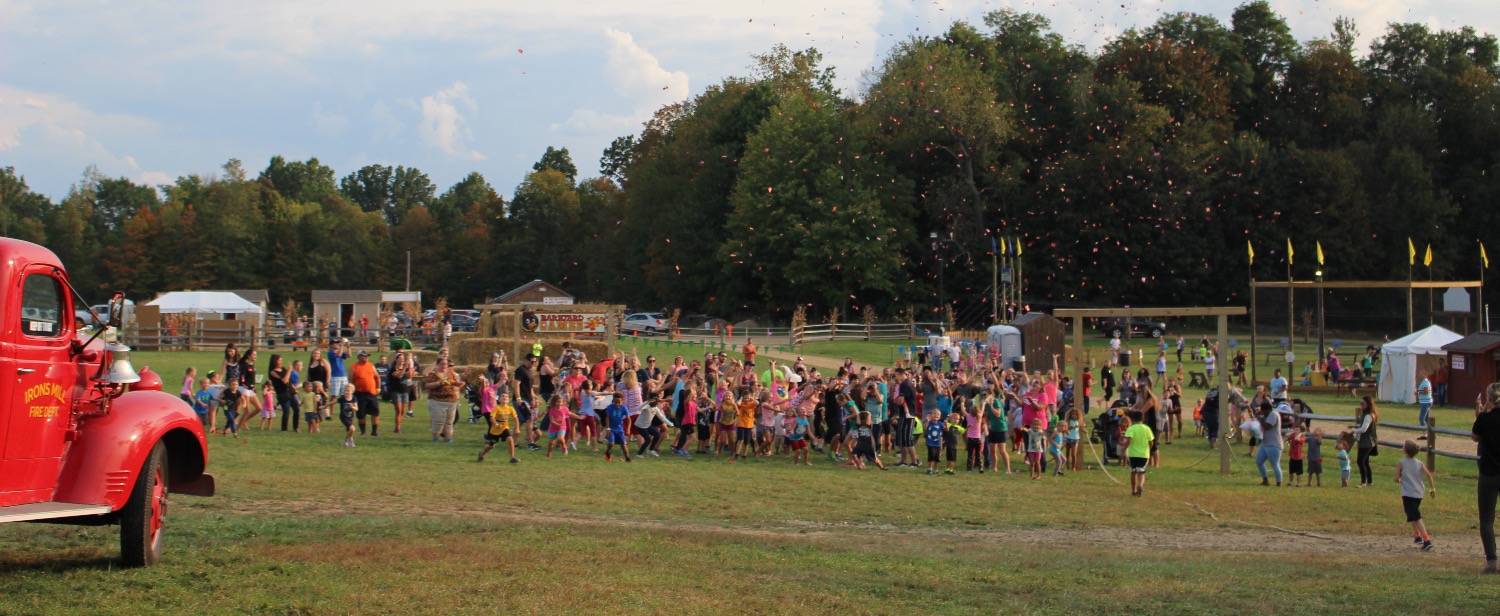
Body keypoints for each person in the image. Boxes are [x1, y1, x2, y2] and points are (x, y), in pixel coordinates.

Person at [1472, 382, 1500, 574]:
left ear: (1488, 399)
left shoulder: (1484, 418)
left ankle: (1492, 561)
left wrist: (1482, 412)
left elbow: (1475, 437)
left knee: (1487, 519)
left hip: (1489, 472)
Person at [1395, 440, 1437, 551]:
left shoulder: (1401, 463)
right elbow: (1428, 476)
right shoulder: (1419, 463)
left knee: (1416, 517)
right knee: (1411, 514)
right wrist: (1432, 488)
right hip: (1419, 493)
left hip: (1408, 493)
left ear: (1405, 451)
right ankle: (1417, 536)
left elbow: (1396, 478)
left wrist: (1401, 480)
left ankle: (1427, 540)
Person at [424, 357, 461, 443]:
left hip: (451, 400)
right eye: (442, 364)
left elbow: (455, 382)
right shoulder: (433, 374)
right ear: (437, 365)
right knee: (438, 420)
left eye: (446, 364)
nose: (444, 366)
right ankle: (436, 438)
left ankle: (448, 438)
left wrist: (459, 383)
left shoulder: (451, 373)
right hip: (437, 400)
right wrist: (438, 383)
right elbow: (427, 385)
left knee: (449, 421)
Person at [1122, 410, 1154, 496]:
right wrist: (1149, 450)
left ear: (1132, 419)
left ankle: (1133, 490)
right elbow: (1151, 442)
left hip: (1132, 454)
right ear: (1143, 419)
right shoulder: (1147, 428)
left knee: (1133, 472)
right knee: (1141, 472)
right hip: (1143, 454)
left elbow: (1129, 440)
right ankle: (1140, 485)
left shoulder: (1131, 428)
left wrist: (1124, 450)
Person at [1350, 396, 1380, 487]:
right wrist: (1354, 426)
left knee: (1360, 461)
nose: (1361, 405)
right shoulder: (1369, 415)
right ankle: (1369, 482)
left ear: (1368, 405)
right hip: (1369, 442)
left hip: (1367, 442)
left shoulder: (1368, 415)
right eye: (1361, 403)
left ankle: (1363, 482)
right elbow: (1362, 425)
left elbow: (1364, 429)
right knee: (1365, 462)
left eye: (1363, 403)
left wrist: (1354, 431)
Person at [350, 350, 381, 436]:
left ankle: (374, 431)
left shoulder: (371, 366)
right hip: (360, 393)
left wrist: (378, 388)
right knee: (361, 414)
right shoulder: (354, 367)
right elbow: (351, 380)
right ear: (359, 357)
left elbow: (377, 377)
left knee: (375, 412)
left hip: (371, 393)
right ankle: (363, 432)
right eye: (365, 356)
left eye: (367, 356)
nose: (367, 357)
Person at [602, 392, 632, 463]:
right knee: (611, 443)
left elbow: (629, 419)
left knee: (623, 445)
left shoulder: (624, 408)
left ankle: (627, 458)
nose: (617, 404)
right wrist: (608, 428)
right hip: (611, 429)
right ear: (613, 401)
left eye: (619, 402)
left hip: (620, 429)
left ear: (622, 401)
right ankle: (607, 453)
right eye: (615, 402)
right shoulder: (610, 407)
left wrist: (628, 429)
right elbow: (607, 417)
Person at [327, 339, 351, 404]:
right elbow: (338, 355)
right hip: (335, 376)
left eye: (338, 343)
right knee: (334, 395)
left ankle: (344, 408)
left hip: (343, 375)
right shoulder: (330, 353)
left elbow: (349, 356)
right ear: (331, 345)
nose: (337, 344)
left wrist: (348, 347)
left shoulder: (340, 351)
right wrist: (342, 345)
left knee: (344, 394)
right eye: (335, 343)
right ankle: (331, 410)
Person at [1416, 370, 1434, 438]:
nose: (1420, 374)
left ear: (1426, 374)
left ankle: (1425, 434)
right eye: (1420, 373)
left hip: (1425, 402)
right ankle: (1430, 433)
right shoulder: (1425, 382)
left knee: (1421, 418)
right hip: (1426, 401)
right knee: (1427, 418)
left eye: (1422, 373)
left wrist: (1418, 393)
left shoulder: (1425, 382)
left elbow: (1426, 391)